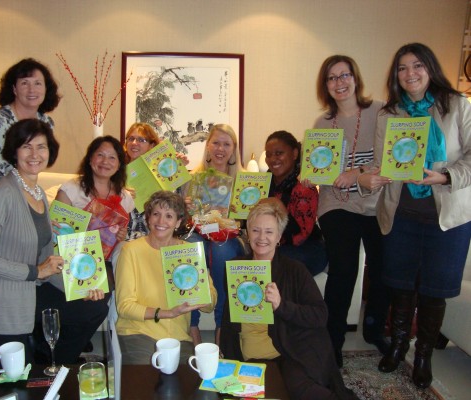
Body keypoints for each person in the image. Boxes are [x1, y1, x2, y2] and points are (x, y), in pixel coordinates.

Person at [358, 43, 471, 389]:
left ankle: (423, 356)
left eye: (417, 66)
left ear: (430, 68)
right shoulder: (388, 114)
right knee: (401, 286)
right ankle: (398, 346)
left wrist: (445, 176)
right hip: (402, 214)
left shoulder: (457, 105)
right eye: (403, 68)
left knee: (434, 290)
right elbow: (380, 162)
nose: (410, 74)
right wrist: (369, 178)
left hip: (446, 217)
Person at [220, 198, 357, 399]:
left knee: (305, 391)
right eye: (256, 230)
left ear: (279, 237)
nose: (261, 237)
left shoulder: (295, 270)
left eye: (269, 231)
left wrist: (281, 305)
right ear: (248, 234)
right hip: (251, 358)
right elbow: (228, 319)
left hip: (290, 352)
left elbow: (320, 315)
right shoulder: (235, 268)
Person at [314, 55, 390, 367]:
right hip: (336, 203)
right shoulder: (322, 123)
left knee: (384, 269)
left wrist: (357, 172)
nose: (339, 83)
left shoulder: (381, 111)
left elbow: (394, 155)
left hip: (376, 203)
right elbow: (322, 169)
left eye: (344, 75)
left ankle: (373, 328)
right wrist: (313, 174)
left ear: (355, 78)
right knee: (344, 269)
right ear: (325, 85)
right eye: (331, 78)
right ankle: (332, 342)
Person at [0, 119, 63, 363]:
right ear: (14, 151)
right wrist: (35, 271)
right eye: (26, 146)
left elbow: (45, 260)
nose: (35, 154)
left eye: (41, 147)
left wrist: (80, 289)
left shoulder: (38, 193)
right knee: (16, 384)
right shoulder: (1, 193)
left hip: (22, 306)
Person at [37, 135, 134, 364]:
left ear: (119, 164)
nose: (105, 161)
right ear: (90, 159)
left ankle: (62, 357)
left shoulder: (125, 197)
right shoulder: (72, 189)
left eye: (112, 157)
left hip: (99, 263)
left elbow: (120, 239)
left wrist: (121, 236)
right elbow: (53, 228)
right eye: (100, 154)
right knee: (81, 304)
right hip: (66, 260)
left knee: (98, 305)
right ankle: (53, 355)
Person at [115, 191, 217, 365]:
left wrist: (200, 295)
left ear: (178, 222)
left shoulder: (189, 251)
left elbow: (210, 305)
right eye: (156, 214)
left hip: (178, 337)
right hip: (138, 332)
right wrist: (168, 313)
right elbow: (124, 306)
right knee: (144, 379)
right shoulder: (131, 251)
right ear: (148, 218)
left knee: (189, 383)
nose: (161, 222)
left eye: (169, 216)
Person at [0, 58, 61, 228]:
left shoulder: (45, 122)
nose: (32, 89)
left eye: (38, 83)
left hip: (23, 199)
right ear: (14, 89)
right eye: (25, 83)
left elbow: (36, 165)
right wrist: (29, 210)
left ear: (46, 89)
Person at [184, 123, 247, 345]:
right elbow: (180, 219)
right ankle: (192, 324)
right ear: (208, 146)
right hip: (198, 233)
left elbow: (250, 219)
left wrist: (233, 213)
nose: (221, 148)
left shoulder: (244, 180)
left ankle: (222, 327)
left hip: (228, 237)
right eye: (216, 142)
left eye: (226, 144)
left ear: (233, 149)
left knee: (221, 251)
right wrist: (186, 206)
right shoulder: (192, 178)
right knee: (190, 248)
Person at [264, 130, 327, 276]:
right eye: (268, 154)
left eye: (279, 153)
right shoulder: (261, 185)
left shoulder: (304, 185)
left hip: (306, 249)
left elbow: (299, 236)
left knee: (273, 261)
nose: (273, 159)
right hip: (273, 245)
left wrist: (278, 207)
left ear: (294, 154)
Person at [123, 122, 162, 240]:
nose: (134, 143)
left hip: (156, 235)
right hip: (126, 236)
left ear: (152, 145)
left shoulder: (161, 173)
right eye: (131, 138)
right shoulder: (116, 172)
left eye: (141, 140)